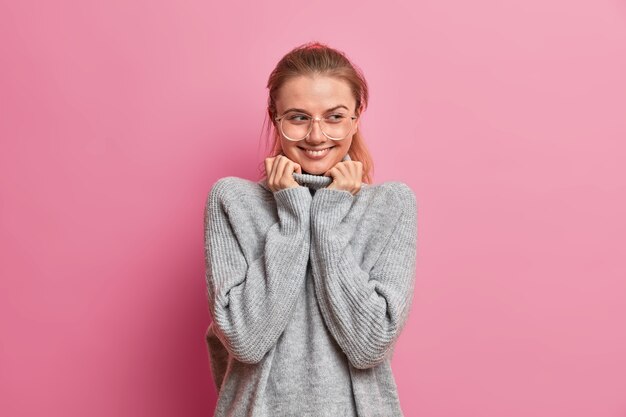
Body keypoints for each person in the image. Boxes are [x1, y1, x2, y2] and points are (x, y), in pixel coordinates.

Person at [203, 41, 418, 417]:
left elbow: (369, 345)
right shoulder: (232, 202)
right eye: (299, 117)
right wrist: (292, 216)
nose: (317, 136)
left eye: (335, 117)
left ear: (356, 117)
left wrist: (327, 217)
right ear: (275, 118)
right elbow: (247, 341)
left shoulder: (391, 205)